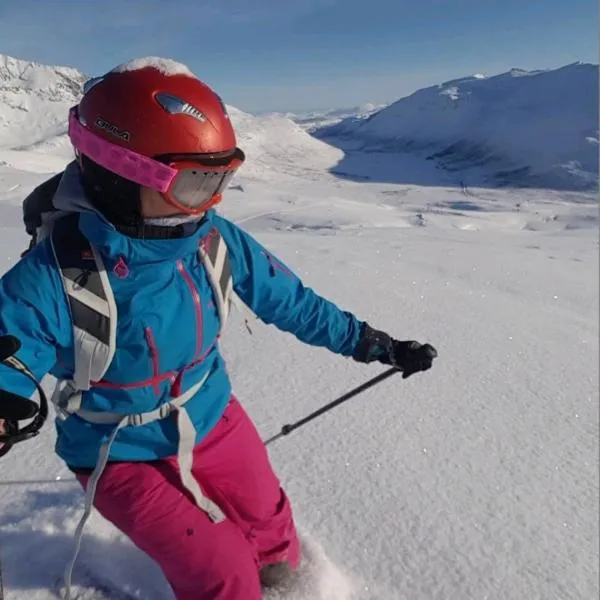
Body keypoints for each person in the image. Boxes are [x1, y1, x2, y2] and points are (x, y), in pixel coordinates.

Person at [0, 57, 437, 600]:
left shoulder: (214, 239)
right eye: (193, 184)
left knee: (272, 526)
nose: (211, 201)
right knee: (223, 575)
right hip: (116, 450)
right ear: (118, 174)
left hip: (213, 413)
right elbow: (12, 348)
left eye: (220, 179)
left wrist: (372, 343)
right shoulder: (57, 272)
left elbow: (292, 302)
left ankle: (286, 584)